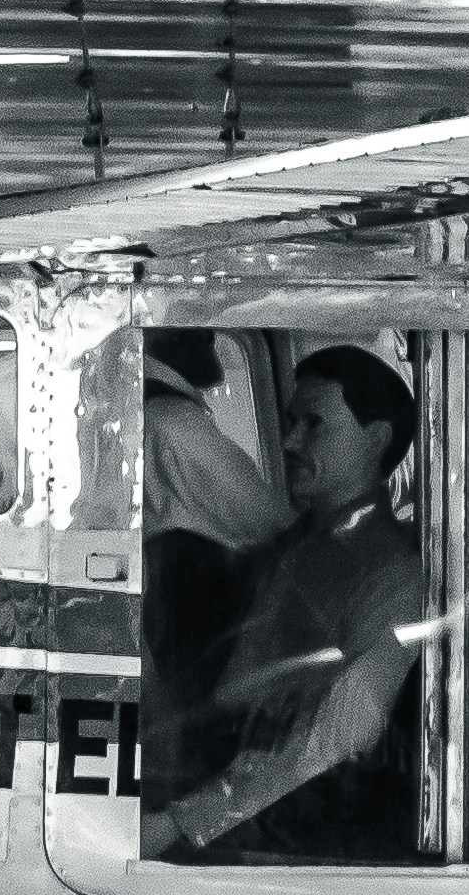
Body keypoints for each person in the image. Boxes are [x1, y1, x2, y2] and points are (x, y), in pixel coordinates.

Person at [151, 345, 432, 861]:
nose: (288, 441)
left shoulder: (394, 575)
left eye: (313, 424)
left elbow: (328, 744)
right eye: (288, 421)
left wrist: (179, 824)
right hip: (229, 801)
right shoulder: (285, 551)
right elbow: (230, 693)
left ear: (377, 440)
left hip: (295, 833)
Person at [137, 330, 290, 805]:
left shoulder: (159, 417)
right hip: (199, 637)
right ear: (168, 337)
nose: (214, 346)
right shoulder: (175, 425)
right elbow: (273, 527)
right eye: (201, 332)